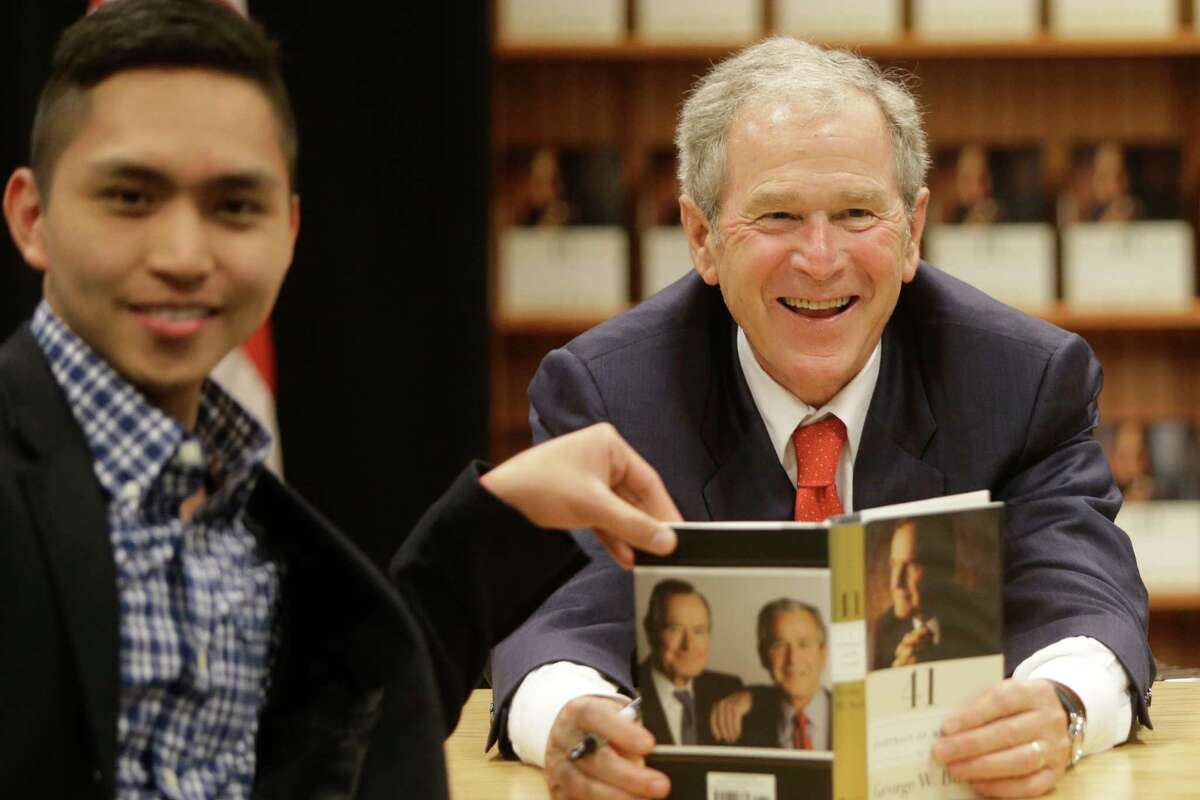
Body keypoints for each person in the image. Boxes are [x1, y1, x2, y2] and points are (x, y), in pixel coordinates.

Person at [0, 1, 682, 797]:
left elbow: (326, 752)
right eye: (130, 198)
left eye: (234, 206)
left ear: (289, 231)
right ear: (32, 216)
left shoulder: (229, 494)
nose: (183, 255)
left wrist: (492, 524)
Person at [489, 37, 1154, 800]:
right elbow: (557, 618)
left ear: (912, 230)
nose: (819, 257)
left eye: (856, 213)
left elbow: (1085, 596)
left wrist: (1062, 710)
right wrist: (575, 721)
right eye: (776, 216)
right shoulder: (607, 395)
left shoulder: (1024, 380)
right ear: (702, 237)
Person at [871, 520, 1000, 670]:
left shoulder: (981, 616)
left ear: (945, 567)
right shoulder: (885, 630)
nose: (896, 582)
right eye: (894, 564)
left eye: (912, 565)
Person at [709, 599, 831, 750]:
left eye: (803, 644)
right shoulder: (739, 723)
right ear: (763, 656)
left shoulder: (855, 714)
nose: (792, 659)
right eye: (779, 645)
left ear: (823, 653)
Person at [636, 580, 742, 746]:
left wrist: (751, 697)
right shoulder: (627, 691)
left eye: (699, 631)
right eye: (675, 629)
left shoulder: (728, 690)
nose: (689, 645)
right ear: (650, 632)